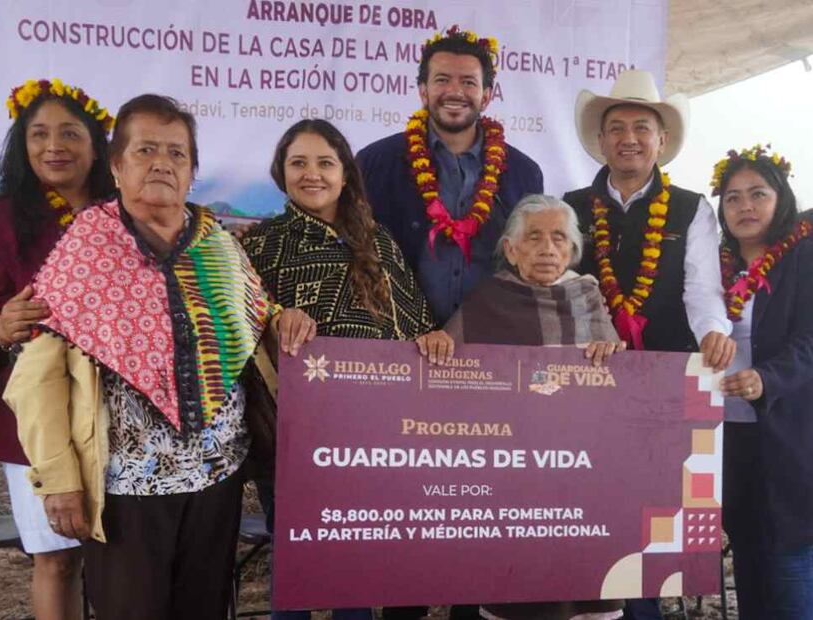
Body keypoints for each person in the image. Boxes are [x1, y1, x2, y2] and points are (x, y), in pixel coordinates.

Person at [3, 94, 317, 620]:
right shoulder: (85, 248)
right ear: (117, 165)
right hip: (126, 488)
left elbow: (251, 318)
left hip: (217, 479)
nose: (161, 164)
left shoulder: (217, 243)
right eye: (145, 149)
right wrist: (58, 480)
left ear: (192, 170)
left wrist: (286, 316)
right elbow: (37, 377)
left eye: (176, 153)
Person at [241, 118, 453, 620]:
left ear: (345, 174)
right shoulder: (259, 245)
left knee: (353, 563)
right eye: (298, 163)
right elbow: (236, 330)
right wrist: (275, 317)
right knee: (297, 562)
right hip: (292, 434)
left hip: (373, 436)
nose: (311, 174)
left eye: (325, 163)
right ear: (281, 172)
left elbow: (414, 324)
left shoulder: (378, 240)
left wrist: (434, 337)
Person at [562, 68, 734, 620]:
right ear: (601, 139)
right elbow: (557, 287)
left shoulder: (690, 208)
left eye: (642, 127)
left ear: (662, 141)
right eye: (617, 127)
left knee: (652, 514)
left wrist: (715, 330)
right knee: (589, 500)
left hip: (666, 382)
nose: (629, 137)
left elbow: (702, 289)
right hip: (587, 381)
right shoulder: (569, 205)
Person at [0, 78, 116, 620]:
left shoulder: (126, 212)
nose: (54, 145)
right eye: (39, 134)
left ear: (97, 146)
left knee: (118, 556)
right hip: (37, 415)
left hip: (120, 412)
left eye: (70, 133)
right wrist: (1, 325)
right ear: (21, 144)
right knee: (56, 557)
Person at [444, 195, 625, 620]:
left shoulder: (588, 295)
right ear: (511, 249)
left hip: (582, 466)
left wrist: (609, 354)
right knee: (519, 583)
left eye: (558, 237)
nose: (547, 248)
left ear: (573, 249)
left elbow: (619, 381)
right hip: (513, 468)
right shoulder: (490, 297)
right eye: (534, 237)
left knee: (587, 581)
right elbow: (448, 370)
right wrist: (438, 344)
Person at [357, 25, 544, 327]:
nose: (455, 92)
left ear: (486, 96)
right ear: (423, 91)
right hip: (396, 338)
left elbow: (533, 261)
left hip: (493, 339)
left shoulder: (524, 173)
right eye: (442, 79)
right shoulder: (374, 163)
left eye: (468, 82)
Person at [713, 145, 813, 619]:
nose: (745, 206)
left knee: (789, 557)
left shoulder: (804, 256)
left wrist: (765, 380)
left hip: (788, 433)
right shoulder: (713, 267)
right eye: (732, 198)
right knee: (748, 552)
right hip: (725, 436)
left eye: (757, 194)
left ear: (781, 199)